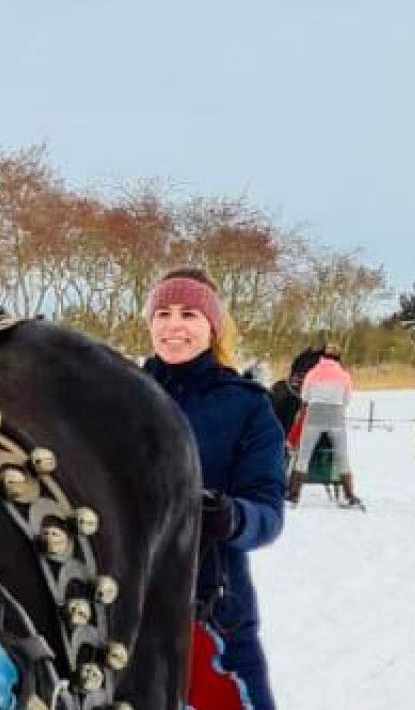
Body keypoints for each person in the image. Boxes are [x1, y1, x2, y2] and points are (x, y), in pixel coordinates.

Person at [142, 267, 286, 710]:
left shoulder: (248, 406)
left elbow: (268, 514)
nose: (174, 325)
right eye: (162, 313)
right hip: (126, 603)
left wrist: (232, 516)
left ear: (213, 326)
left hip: (213, 606)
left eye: (189, 313)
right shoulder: (123, 396)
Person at [290, 346, 363, 508]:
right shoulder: (344, 375)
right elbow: (347, 398)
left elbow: (304, 396)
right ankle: (349, 495)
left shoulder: (312, 373)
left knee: (303, 455)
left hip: (314, 415)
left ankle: (293, 495)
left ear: (322, 358)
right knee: (342, 455)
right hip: (336, 416)